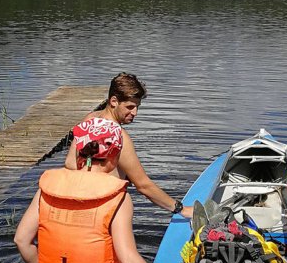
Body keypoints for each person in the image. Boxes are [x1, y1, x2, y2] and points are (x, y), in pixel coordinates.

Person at [15, 117, 187, 263]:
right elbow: (128, 260)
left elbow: (22, 240)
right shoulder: (117, 196)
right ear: (114, 156)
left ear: (78, 151)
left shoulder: (47, 188)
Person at [65, 72, 193, 220]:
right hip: (105, 210)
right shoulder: (120, 137)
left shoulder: (89, 119)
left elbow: (69, 163)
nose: (135, 113)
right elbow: (144, 186)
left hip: (80, 203)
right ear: (114, 101)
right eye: (130, 107)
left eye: (137, 107)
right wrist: (181, 209)